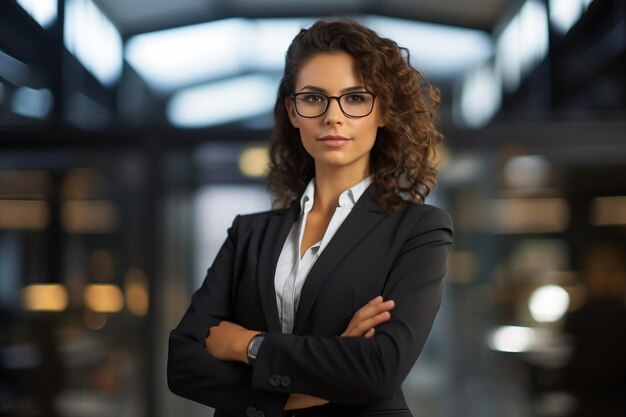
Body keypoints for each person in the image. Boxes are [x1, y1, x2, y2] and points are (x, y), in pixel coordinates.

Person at [167, 18, 453, 417]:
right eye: (314, 98)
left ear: (382, 111)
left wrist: (248, 344)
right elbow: (182, 363)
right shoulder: (248, 233)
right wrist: (298, 393)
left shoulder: (419, 230)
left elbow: (379, 369)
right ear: (293, 111)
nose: (333, 116)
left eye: (355, 98)